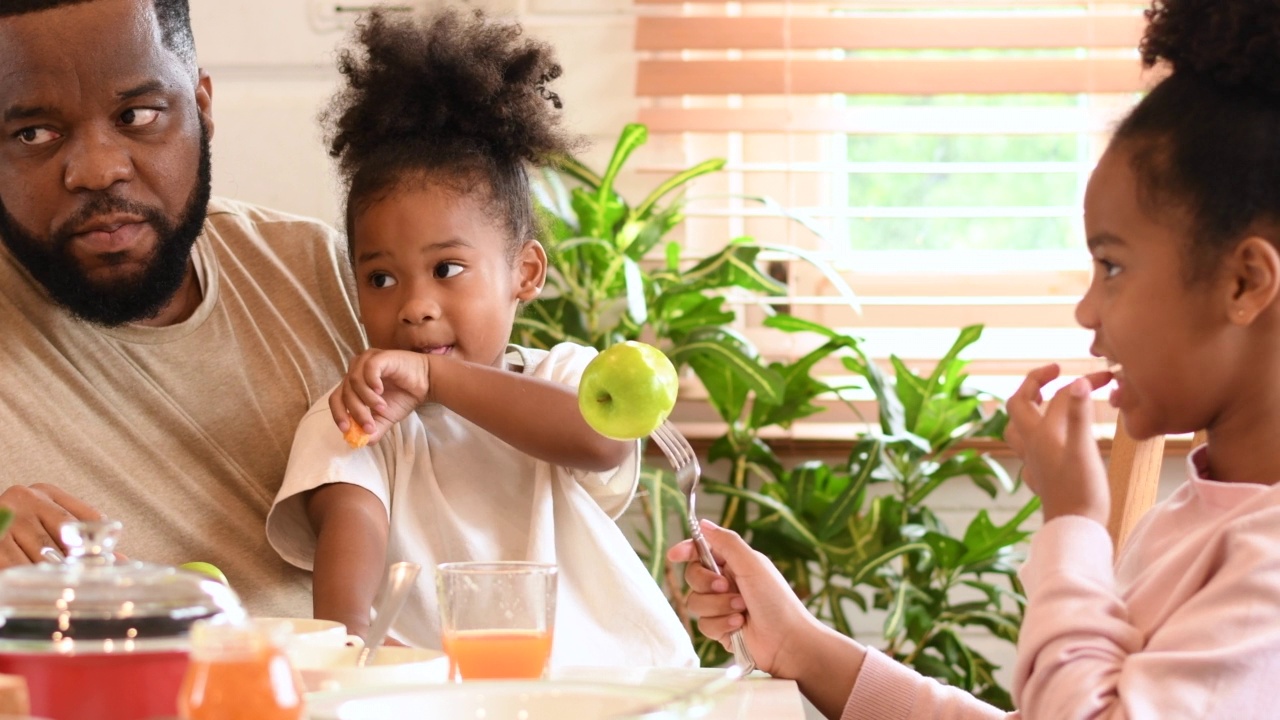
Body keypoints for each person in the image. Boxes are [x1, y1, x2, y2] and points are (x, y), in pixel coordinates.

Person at [671, 0, 1280, 717]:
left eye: (1111, 266)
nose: (1087, 310)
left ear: (1244, 283)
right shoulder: (1194, 523)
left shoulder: (1265, 563)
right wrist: (799, 647)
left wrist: (1073, 523)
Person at [264, 8, 697, 667]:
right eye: (380, 278)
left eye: (447, 270)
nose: (414, 307)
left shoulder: (559, 378)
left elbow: (599, 440)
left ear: (524, 272)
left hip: (610, 691)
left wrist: (438, 379)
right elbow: (346, 592)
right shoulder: (358, 420)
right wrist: (351, 659)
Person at [0, 0, 364, 617]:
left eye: (137, 115)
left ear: (201, 107)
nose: (98, 170)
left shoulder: (327, 273)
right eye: (34, 133)